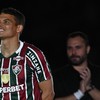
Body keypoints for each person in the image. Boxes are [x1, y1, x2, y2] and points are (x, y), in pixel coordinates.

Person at [0, 7, 55, 100]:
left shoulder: (32, 54)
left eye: (6, 22)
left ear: (18, 28)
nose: (0, 25)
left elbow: (48, 93)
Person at [53, 31, 100, 100]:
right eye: (69, 48)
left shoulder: (98, 72)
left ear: (87, 49)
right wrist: (79, 93)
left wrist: (89, 87)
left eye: (78, 47)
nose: (73, 52)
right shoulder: (57, 77)